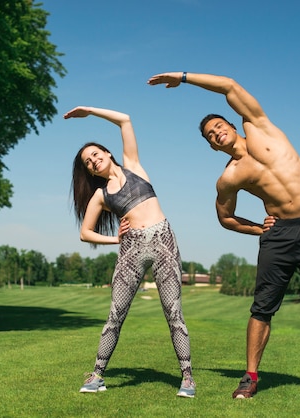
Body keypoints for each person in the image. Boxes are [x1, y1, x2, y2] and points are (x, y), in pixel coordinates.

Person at [147, 72, 300, 402]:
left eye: (218, 127)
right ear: (213, 147)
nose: (216, 134)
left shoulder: (261, 127)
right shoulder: (229, 177)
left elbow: (229, 86)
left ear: (232, 125)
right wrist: (260, 229)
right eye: (210, 137)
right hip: (280, 236)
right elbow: (225, 218)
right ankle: (250, 376)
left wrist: (184, 78)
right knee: (261, 309)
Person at [64, 105, 195, 398]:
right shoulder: (101, 195)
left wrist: (88, 111)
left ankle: (187, 378)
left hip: (163, 241)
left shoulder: (133, 165)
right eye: (88, 162)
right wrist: (116, 239)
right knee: (115, 314)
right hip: (131, 249)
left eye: (96, 154)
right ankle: (97, 375)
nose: (93, 161)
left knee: (174, 313)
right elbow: (85, 232)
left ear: (108, 153)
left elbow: (124, 119)